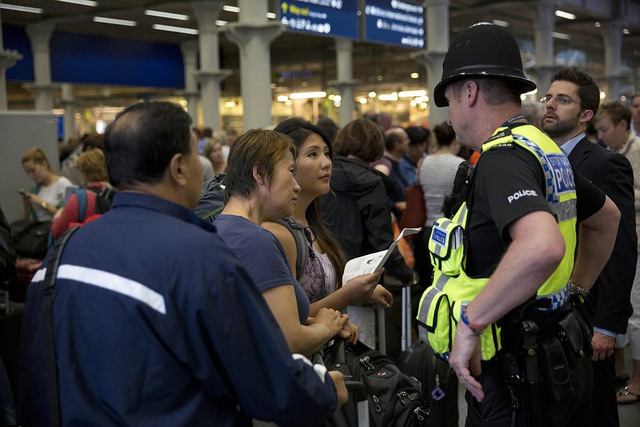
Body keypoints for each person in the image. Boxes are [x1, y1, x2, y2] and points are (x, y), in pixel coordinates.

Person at [18, 102, 346, 426]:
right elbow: (271, 383)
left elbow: (34, 373)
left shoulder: (62, 254)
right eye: (194, 156)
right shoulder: (199, 256)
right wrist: (325, 389)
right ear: (179, 168)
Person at [420, 22, 621, 426]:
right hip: (554, 358)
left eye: (451, 100)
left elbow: (542, 245)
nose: (450, 115)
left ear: (471, 91)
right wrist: (573, 291)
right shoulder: (543, 147)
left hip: (513, 375)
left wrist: (471, 324)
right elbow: (606, 219)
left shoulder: (502, 158)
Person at [542, 68, 638, 422]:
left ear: (585, 115)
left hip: (586, 314)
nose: (550, 105)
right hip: (545, 309)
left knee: (593, 407)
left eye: (563, 100)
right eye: (549, 97)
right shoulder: (536, 160)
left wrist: (607, 325)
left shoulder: (605, 164)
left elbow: (621, 247)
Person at [215, 129, 353, 357]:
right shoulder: (256, 240)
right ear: (259, 173)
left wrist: (315, 322)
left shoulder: (222, 228)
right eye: (290, 172)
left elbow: (259, 320)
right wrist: (325, 328)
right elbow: (289, 341)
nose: (296, 186)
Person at [266, 118, 391, 315]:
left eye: (326, 153)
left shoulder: (312, 222)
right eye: (313, 154)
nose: (326, 163)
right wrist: (348, 295)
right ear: (286, 164)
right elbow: (290, 320)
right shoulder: (277, 232)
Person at [320, 117, 414, 349]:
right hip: (360, 282)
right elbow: (381, 240)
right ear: (376, 145)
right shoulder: (372, 184)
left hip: (322, 280)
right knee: (361, 355)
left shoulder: (322, 175)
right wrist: (405, 274)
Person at [591, 101, 640, 408]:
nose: (601, 136)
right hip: (611, 237)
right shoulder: (609, 153)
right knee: (616, 304)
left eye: (605, 129)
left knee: (636, 311)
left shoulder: (636, 152)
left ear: (622, 126)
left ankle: (637, 379)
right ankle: (619, 368)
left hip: (636, 238)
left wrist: (609, 192)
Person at [50, 149, 113, 239]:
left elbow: (58, 231)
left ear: (84, 173)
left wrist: (57, 217)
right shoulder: (115, 193)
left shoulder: (80, 198)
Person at [418, 121, 465, 225]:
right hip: (449, 226)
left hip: (428, 225)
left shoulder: (423, 162)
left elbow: (418, 185)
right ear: (455, 140)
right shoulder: (460, 164)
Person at [20, 147, 73, 222]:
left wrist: (41, 202)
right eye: (28, 173)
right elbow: (27, 222)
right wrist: (26, 207)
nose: (31, 176)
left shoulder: (63, 184)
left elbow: (65, 216)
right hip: (39, 231)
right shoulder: (35, 190)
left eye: (33, 170)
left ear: (44, 164)